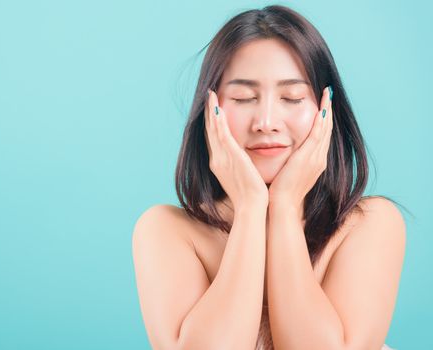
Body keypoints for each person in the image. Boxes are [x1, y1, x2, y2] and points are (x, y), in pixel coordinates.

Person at [132, 5, 405, 350]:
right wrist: (250, 208)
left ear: (325, 109)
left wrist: (286, 209)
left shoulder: (368, 224)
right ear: (210, 110)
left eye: (291, 97)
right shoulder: (167, 230)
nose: (266, 121)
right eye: (244, 97)